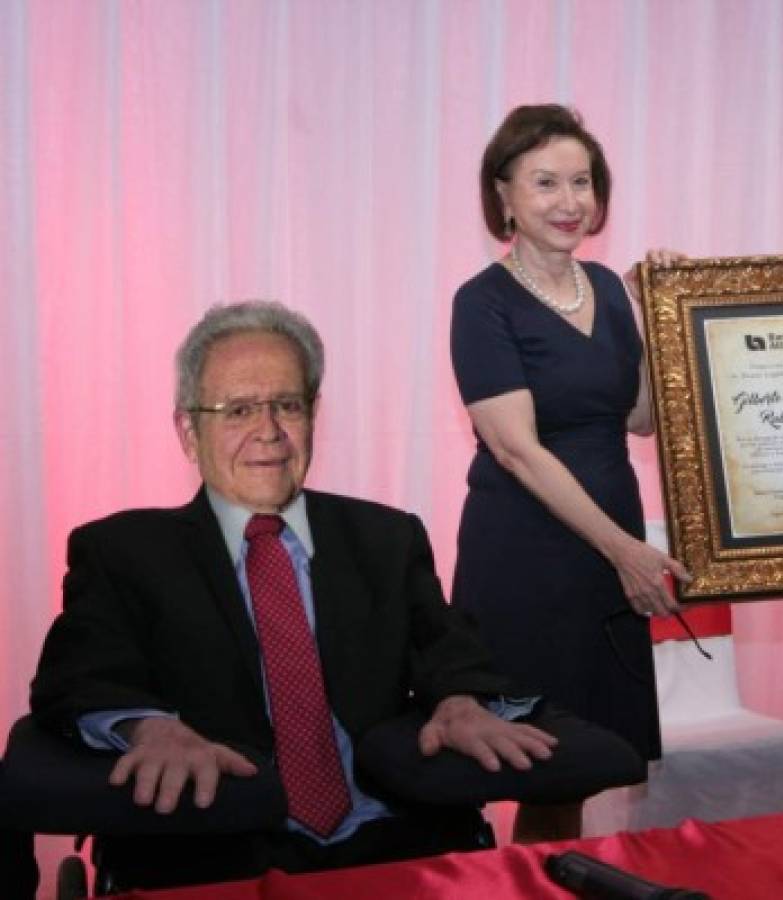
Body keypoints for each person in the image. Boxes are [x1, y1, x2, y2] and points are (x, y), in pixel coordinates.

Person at [29, 300, 562, 890]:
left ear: (313, 415)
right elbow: (78, 676)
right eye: (238, 410)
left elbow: (451, 653)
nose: (269, 432)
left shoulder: (386, 537)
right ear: (188, 430)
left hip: (392, 842)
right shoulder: (123, 551)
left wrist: (459, 702)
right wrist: (149, 729)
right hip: (214, 844)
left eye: (288, 405)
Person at [449, 104, 690, 842]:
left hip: (606, 549)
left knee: (584, 764)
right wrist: (624, 549)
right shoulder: (481, 302)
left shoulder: (610, 289)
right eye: (545, 182)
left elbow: (642, 417)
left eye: (580, 182)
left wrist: (663, 314)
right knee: (537, 762)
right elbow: (517, 450)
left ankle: (555, 883)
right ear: (504, 197)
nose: (568, 202)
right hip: (530, 552)